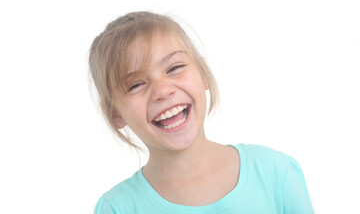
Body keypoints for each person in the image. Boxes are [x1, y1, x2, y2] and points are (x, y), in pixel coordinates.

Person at [89, 11, 314, 214]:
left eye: (174, 68)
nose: (163, 90)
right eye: (136, 84)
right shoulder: (116, 208)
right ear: (115, 113)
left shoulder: (275, 172)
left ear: (203, 74)